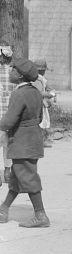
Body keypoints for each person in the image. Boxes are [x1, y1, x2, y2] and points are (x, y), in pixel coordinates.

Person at [0, 59, 49, 228]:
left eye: (13, 70)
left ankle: (41, 215)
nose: (10, 72)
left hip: (22, 142)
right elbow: (40, 117)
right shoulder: (35, 91)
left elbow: (8, 122)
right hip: (33, 139)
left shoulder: (18, 94)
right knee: (16, 177)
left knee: (28, 178)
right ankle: (3, 209)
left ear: (20, 75)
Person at [0, 42, 15, 184]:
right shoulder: (12, 69)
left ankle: (7, 169)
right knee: (6, 144)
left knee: (7, 143)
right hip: (6, 109)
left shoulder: (13, 71)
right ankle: (6, 171)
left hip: (8, 110)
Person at [31, 60, 55, 148]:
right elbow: (39, 93)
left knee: (42, 122)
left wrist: (51, 91)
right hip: (39, 104)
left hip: (40, 104)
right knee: (41, 122)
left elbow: (47, 87)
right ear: (42, 71)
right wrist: (49, 95)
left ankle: (41, 140)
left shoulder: (40, 79)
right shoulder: (38, 79)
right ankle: (40, 141)